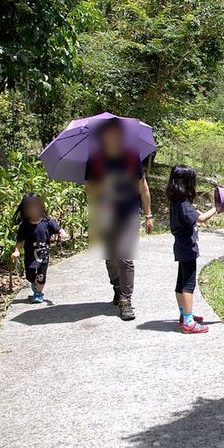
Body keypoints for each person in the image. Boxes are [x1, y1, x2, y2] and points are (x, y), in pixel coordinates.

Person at [85, 118, 154, 321]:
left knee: (125, 256)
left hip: (129, 211)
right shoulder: (95, 159)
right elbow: (89, 189)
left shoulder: (132, 158)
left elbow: (143, 187)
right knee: (110, 255)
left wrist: (148, 214)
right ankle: (117, 286)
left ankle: (126, 300)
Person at [166, 164, 216, 334]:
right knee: (188, 284)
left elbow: (193, 216)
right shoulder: (184, 204)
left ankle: (184, 315)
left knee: (180, 284)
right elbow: (201, 219)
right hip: (187, 248)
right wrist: (217, 208)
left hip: (180, 246)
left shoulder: (176, 202)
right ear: (187, 183)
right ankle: (188, 321)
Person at [11, 193, 69, 304]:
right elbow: (20, 241)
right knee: (30, 275)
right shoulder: (24, 226)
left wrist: (63, 233)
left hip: (43, 255)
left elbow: (59, 229)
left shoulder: (47, 222)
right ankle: (34, 282)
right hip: (30, 256)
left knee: (42, 275)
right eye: (29, 208)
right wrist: (16, 251)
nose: (32, 210)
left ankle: (38, 293)